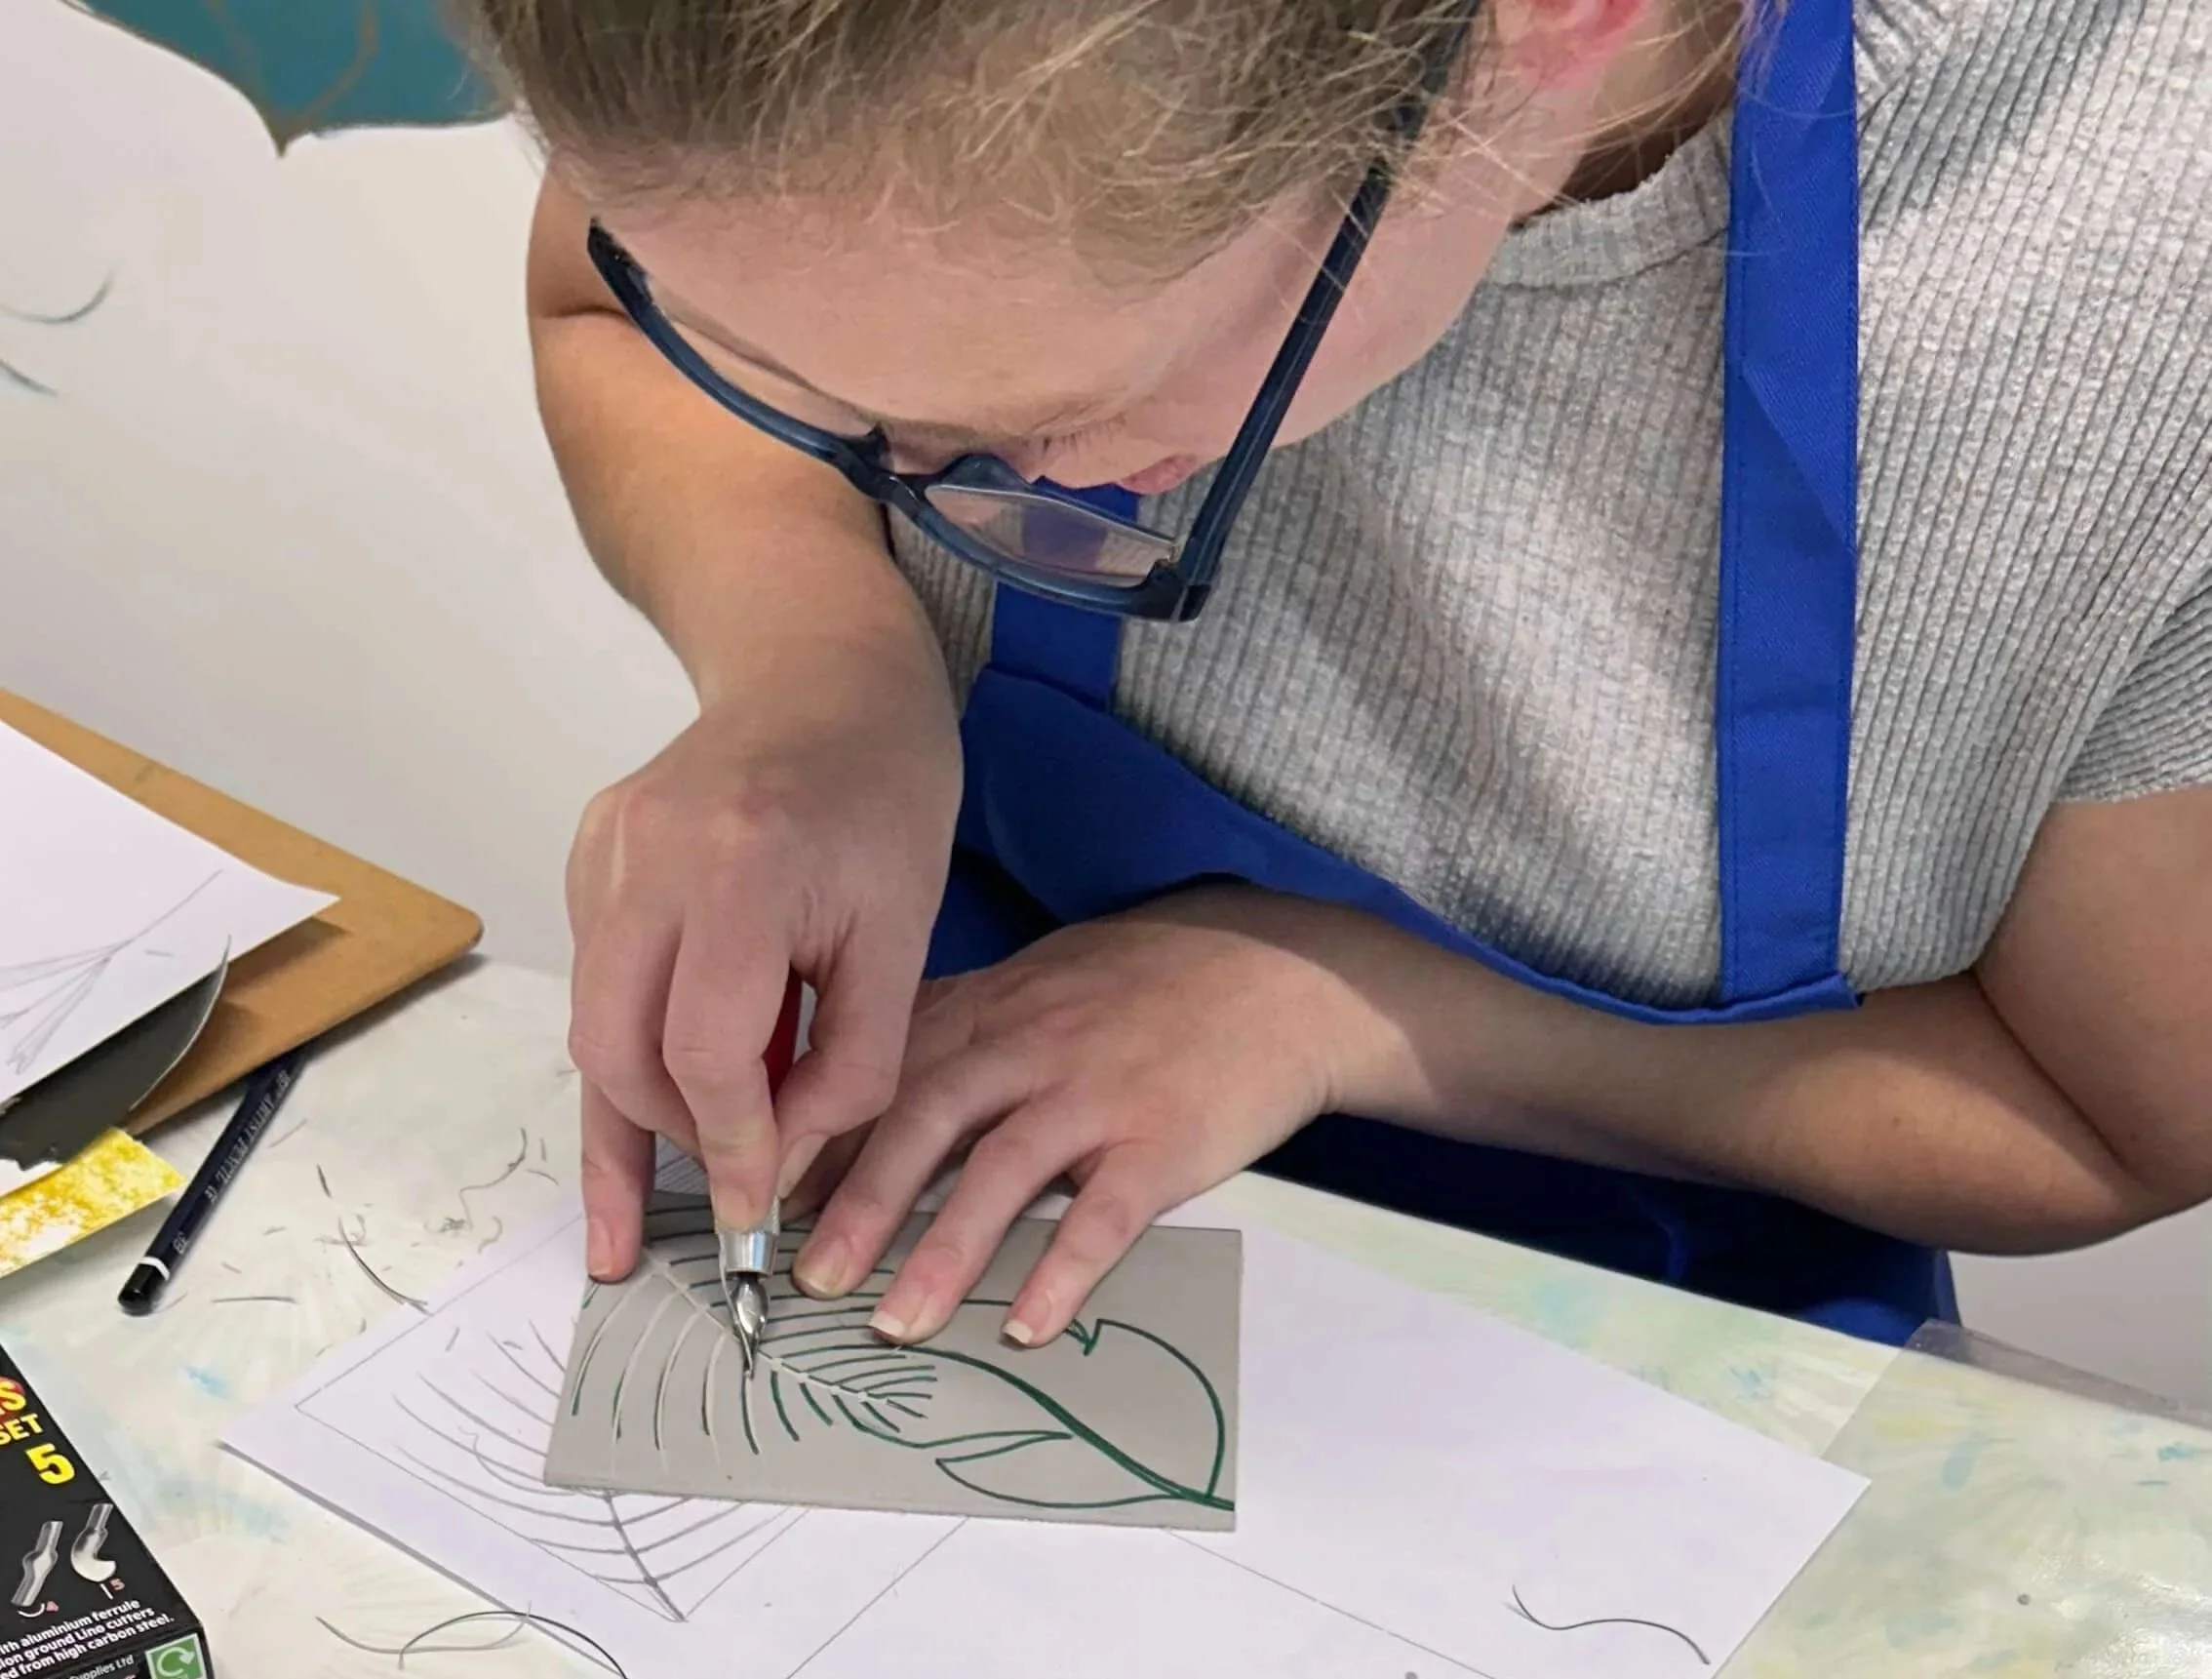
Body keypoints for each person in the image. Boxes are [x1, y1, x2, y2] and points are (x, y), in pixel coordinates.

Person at [463, 0, 2211, 1351]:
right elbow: (611, 314)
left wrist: (1328, 1004)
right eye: (836, 410)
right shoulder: (813, 61)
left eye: (1045, 424)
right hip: (964, 1092)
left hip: (1670, 1322)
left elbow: (2097, 1112)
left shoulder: (2136, 282)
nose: (906, 477)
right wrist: (816, 681)